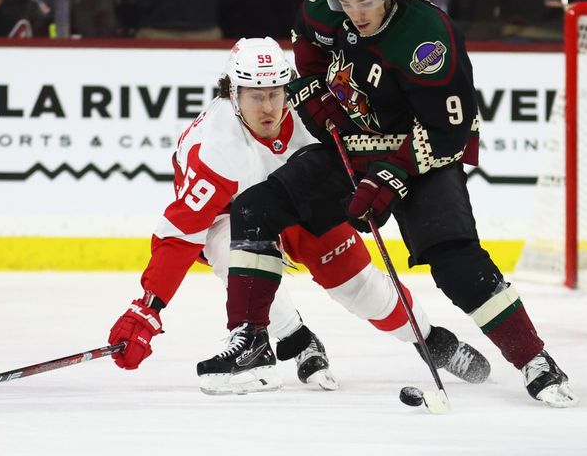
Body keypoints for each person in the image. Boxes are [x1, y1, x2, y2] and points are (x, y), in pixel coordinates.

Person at [198, 0, 578, 408]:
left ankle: (534, 360)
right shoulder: (323, 3)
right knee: (255, 208)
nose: (355, 13)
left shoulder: (426, 36)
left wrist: (390, 176)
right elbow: (306, 50)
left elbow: (449, 134)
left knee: (456, 265)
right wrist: (315, 98)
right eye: (347, 2)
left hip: (421, 153)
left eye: (366, 1)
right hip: (352, 148)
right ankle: (252, 342)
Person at [109, 37, 490, 395]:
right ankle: (292, 339)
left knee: (360, 287)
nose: (269, 108)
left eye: (275, 94)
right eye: (255, 97)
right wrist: (146, 310)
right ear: (232, 93)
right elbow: (180, 235)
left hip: (297, 201)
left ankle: (432, 340)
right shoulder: (215, 147)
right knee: (231, 252)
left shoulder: (313, 116)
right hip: (232, 216)